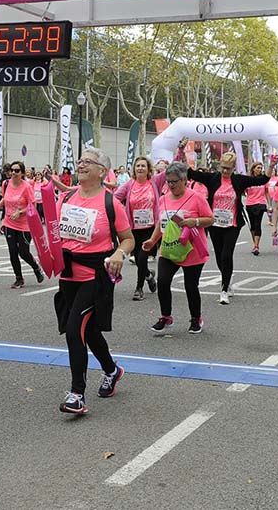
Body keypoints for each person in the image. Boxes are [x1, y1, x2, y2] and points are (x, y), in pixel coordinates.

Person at [54, 149, 133, 415]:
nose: (81, 164)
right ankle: (112, 369)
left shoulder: (111, 203)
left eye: (88, 162)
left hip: (95, 275)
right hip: (67, 273)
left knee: (75, 329)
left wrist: (119, 253)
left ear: (102, 171)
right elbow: (55, 234)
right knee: (88, 331)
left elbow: (128, 238)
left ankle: (77, 394)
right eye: (80, 161)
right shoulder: (65, 197)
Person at [182, 147, 275, 305]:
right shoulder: (212, 178)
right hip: (215, 223)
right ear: (219, 166)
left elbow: (262, 180)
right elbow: (190, 173)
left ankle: (224, 289)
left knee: (227, 255)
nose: (225, 171)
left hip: (232, 224)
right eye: (223, 168)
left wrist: (271, 165)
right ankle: (227, 276)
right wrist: (182, 152)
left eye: (228, 168)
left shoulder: (239, 180)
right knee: (219, 256)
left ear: (233, 168)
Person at [144, 161, 214, 333]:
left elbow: (210, 219)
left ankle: (196, 319)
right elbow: (162, 222)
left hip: (192, 250)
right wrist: (152, 240)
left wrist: (194, 221)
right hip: (169, 249)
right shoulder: (163, 198)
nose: (171, 185)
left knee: (191, 286)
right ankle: (166, 317)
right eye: (168, 181)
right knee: (163, 282)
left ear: (184, 180)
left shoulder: (196, 197)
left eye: (175, 181)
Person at [113, 156, 160, 301]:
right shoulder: (129, 185)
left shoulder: (154, 182)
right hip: (133, 228)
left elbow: (168, 172)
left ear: (148, 169)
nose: (140, 168)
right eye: (137, 166)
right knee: (139, 260)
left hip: (150, 227)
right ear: (134, 169)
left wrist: (180, 151)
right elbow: (114, 198)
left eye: (143, 166)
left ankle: (139, 288)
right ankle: (149, 276)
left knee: (142, 257)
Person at [1, 160, 45, 289]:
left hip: (25, 225)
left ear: (22, 173)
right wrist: (1, 206)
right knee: (12, 251)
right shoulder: (7, 184)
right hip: (9, 223)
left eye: (17, 171)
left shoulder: (26, 187)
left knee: (23, 252)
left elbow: (33, 205)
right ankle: (19, 278)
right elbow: (6, 199)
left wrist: (20, 212)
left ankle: (36, 267)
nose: (14, 173)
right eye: (12, 170)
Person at [243, 162, 268, 255]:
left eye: (261, 168)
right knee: (252, 225)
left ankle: (256, 245)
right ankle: (255, 244)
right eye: (258, 168)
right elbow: (244, 191)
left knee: (258, 224)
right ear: (253, 169)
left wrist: (269, 205)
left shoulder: (263, 179)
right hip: (250, 204)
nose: (260, 170)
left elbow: (267, 192)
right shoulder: (248, 180)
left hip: (260, 204)